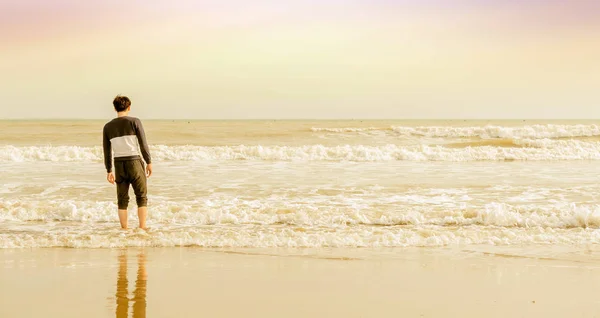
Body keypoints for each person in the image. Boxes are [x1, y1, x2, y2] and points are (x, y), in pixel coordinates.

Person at [103, 95, 153, 229]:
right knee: (141, 197)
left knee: (122, 200)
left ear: (115, 108)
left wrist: (109, 170)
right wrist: (148, 161)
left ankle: (124, 230)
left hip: (119, 164)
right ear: (129, 107)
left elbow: (107, 151)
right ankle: (142, 228)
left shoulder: (108, 127)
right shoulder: (135, 121)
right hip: (134, 162)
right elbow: (143, 143)